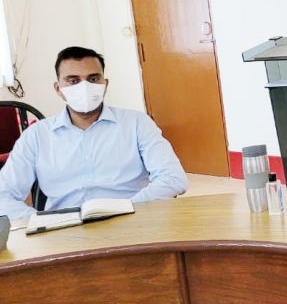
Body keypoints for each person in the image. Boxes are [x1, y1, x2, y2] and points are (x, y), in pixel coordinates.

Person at [0, 46, 188, 220]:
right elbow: (4, 195)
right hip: (62, 230)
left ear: (105, 84)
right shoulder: (37, 136)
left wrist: (127, 207)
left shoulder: (136, 123)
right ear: (58, 89)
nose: (84, 87)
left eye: (93, 79)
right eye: (73, 80)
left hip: (131, 218)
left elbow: (172, 178)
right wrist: (42, 221)